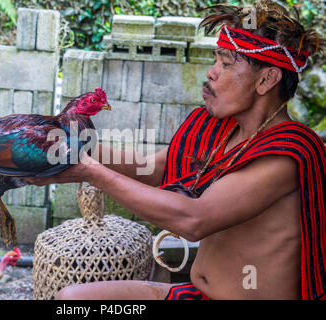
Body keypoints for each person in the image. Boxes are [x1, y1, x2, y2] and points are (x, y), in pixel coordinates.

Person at [24, 0, 325, 300]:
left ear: (266, 79)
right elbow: (152, 169)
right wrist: (74, 147)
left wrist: (89, 172)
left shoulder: (289, 153)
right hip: (197, 294)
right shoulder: (221, 130)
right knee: (74, 300)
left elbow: (194, 220)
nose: (211, 73)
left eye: (226, 63)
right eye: (215, 60)